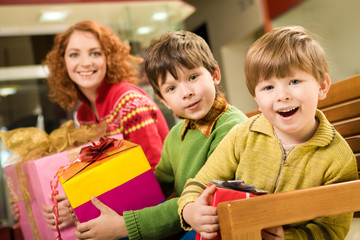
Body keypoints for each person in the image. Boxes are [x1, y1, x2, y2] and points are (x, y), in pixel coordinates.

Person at [178, 26, 358, 240]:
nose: (282, 96)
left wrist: (287, 238)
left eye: (294, 81)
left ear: (322, 86)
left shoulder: (338, 159)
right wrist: (190, 210)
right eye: (268, 88)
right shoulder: (243, 135)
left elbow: (331, 230)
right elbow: (199, 183)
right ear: (256, 98)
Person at [73, 30, 248, 239]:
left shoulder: (232, 126)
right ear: (164, 101)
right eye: (172, 88)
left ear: (215, 75)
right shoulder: (176, 135)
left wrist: (123, 226)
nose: (186, 92)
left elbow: (198, 199)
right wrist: (98, 206)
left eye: (193, 77)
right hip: (188, 223)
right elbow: (155, 187)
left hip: (217, 227)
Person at [33, 20, 168, 231]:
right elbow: (101, 177)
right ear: (63, 63)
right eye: (74, 54)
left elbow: (154, 175)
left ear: (109, 58)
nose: (85, 63)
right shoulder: (84, 113)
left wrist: (80, 208)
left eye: (95, 53)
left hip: (156, 218)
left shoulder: (128, 101)